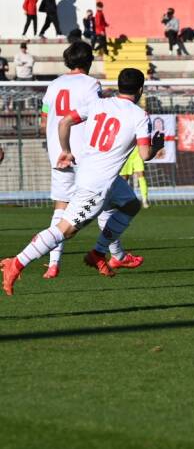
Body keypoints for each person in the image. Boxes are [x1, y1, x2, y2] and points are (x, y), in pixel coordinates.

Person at [2, 67, 159, 294]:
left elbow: (64, 122)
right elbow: (145, 155)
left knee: (131, 204)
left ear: (118, 86)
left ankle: (99, 253)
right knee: (65, 229)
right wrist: (158, 146)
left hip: (96, 175)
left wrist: (66, 150)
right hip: (97, 185)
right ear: (141, 90)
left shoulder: (100, 103)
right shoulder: (139, 116)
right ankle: (16, 262)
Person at [36, 41, 143, 279]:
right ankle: (113, 254)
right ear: (89, 61)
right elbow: (95, 115)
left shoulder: (52, 85)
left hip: (59, 154)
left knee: (62, 206)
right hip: (88, 157)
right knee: (111, 203)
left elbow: (44, 122)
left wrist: (59, 146)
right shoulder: (92, 84)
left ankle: (54, 263)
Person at [119, 144, 149, 209]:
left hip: (137, 153)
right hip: (126, 153)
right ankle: (123, 200)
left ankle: (145, 200)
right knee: (124, 179)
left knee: (141, 175)